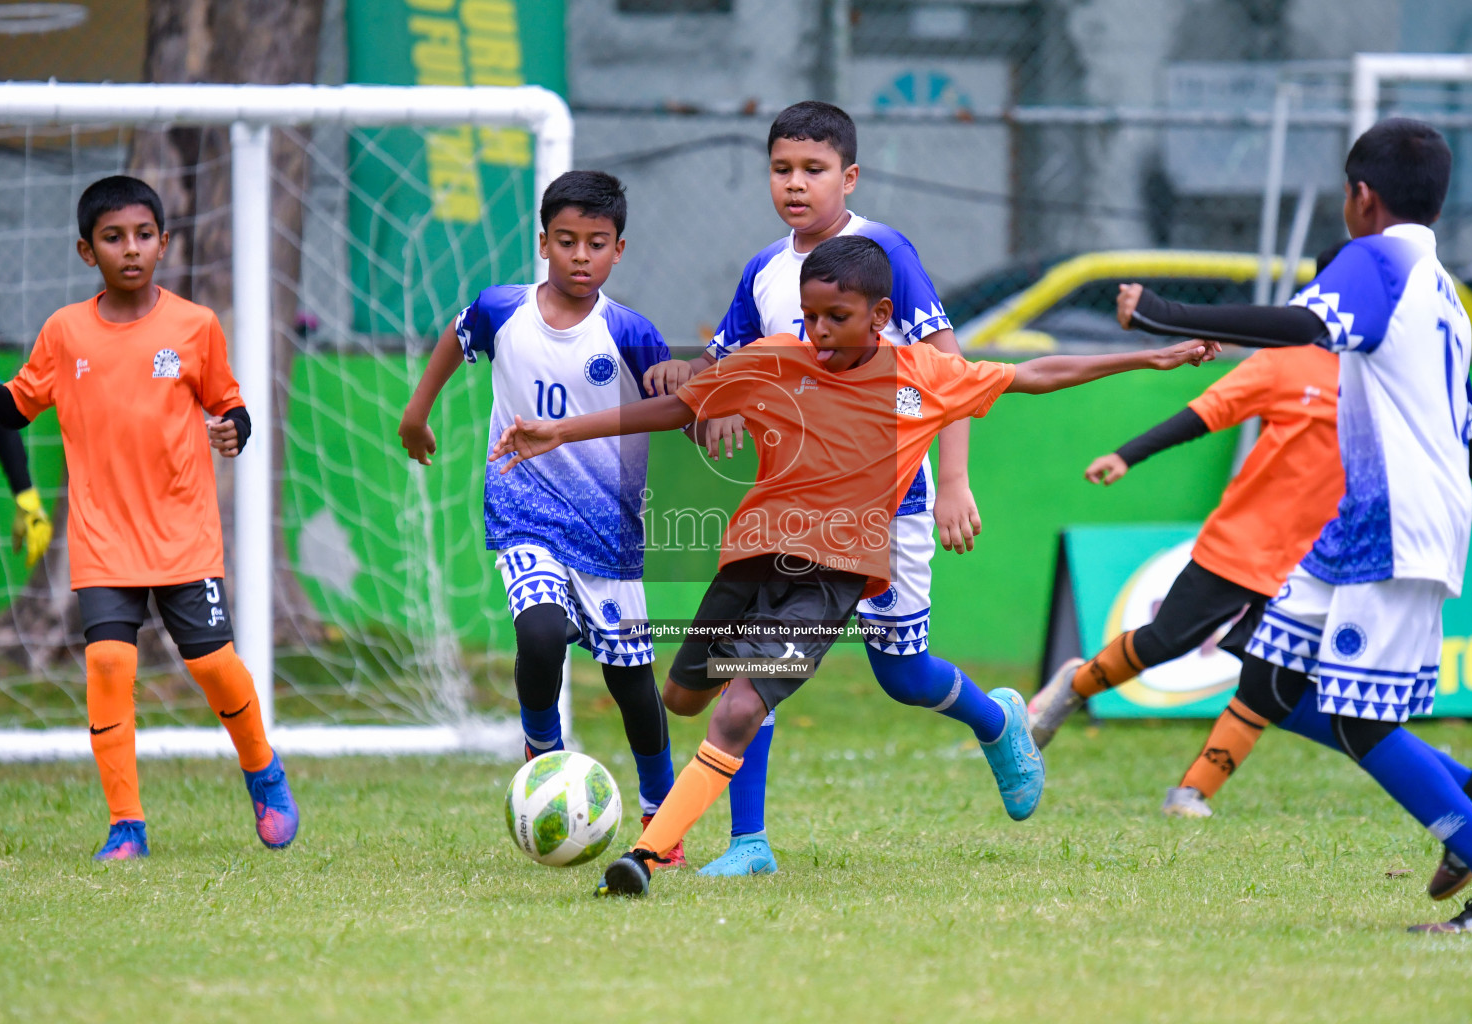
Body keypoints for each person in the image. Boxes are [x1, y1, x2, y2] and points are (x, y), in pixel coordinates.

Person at [493, 234, 1217, 896]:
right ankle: (699, 825)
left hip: (830, 582)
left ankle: (645, 857)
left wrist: (1149, 355)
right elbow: (682, 408)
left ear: (879, 315)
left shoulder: (922, 374)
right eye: (808, 317)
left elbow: (1038, 372)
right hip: (749, 564)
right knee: (685, 698)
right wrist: (560, 429)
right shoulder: (779, 360)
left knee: (744, 706)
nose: (817, 333)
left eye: (834, 318)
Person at [1036, 119, 1472, 933]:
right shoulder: (1442, 294)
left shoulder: (1380, 259)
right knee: (1267, 677)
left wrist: (1163, 311)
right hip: (1364, 522)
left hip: (1394, 524)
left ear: (1360, 198)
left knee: (1365, 723)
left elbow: (1304, 329)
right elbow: (1468, 448)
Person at [640, 100, 1001, 878]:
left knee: (903, 674)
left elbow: (955, 372)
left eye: (814, 170)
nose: (795, 185)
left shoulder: (885, 253)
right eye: (781, 169)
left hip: (894, 506)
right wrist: (698, 393)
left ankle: (995, 719)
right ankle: (748, 843)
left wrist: (955, 483)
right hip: (797, 510)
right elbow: (728, 369)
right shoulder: (766, 273)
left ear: (851, 176)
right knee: (752, 664)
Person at [0, 175, 297, 860]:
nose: (130, 249)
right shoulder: (64, 332)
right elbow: (12, 408)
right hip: (102, 535)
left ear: (165, 242)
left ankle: (262, 770)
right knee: (105, 662)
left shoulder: (194, 326)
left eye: (143, 235)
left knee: (215, 666)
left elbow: (231, 405)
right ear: (84, 250)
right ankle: (126, 825)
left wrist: (232, 431)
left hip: (183, 533)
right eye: (112, 237)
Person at [397, 170, 684, 865]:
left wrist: (686, 387)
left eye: (596, 243)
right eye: (566, 241)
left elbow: (675, 403)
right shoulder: (503, 310)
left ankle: (661, 818)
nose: (580, 256)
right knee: (541, 630)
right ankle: (542, 748)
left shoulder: (630, 331)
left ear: (619, 249)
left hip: (609, 535)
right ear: (542, 244)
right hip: (523, 512)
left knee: (634, 687)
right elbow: (454, 337)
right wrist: (417, 411)